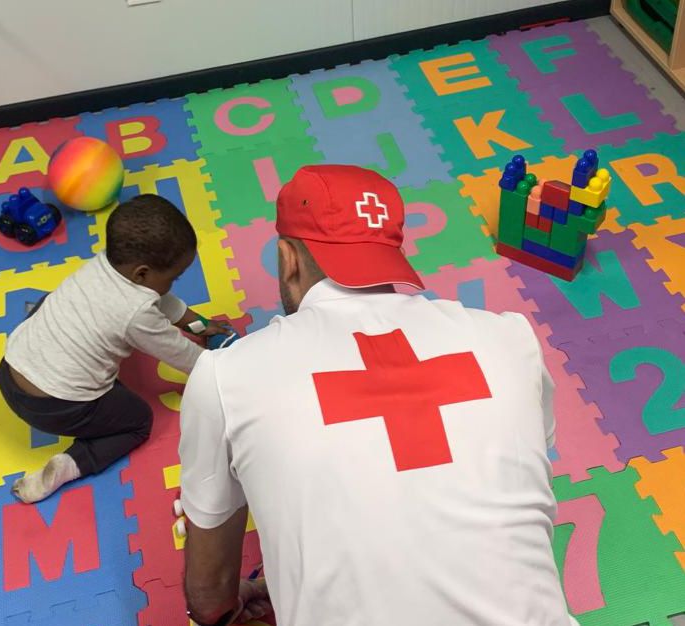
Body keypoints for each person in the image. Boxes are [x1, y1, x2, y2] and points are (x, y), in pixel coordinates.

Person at [178, 165, 578, 626]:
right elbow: (530, 458)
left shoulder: (225, 376)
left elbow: (208, 595)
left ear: (286, 259)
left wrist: (224, 611)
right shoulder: (511, 339)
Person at [0, 194, 229, 504]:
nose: (173, 284)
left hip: (11, 369)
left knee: (53, 302)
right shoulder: (136, 315)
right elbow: (185, 357)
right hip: (55, 406)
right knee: (138, 422)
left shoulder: (107, 263)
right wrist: (227, 366)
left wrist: (199, 325)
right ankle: (73, 464)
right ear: (143, 273)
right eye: (173, 277)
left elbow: (157, 299)